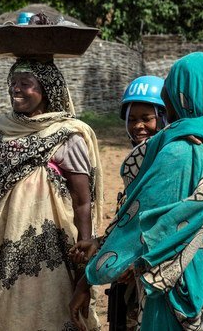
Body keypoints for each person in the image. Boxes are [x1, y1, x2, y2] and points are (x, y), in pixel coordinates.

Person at [70, 52, 203, 331]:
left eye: (169, 89)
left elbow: (142, 227)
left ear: (179, 98)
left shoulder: (182, 151)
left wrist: (88, 279)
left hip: (195, 287)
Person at [0, 57, 104, 330]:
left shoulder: (67, 135)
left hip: (53, 249)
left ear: (47, 89)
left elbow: (83, 201)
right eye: (13, 83)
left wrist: (85, 245)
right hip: (6, 243)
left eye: (26, 84)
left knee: (51, 307)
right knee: (10, 308)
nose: (16, 89)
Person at [70, 75, 168, 330]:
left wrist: (128, 258)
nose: (138, 126)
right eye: (132, 119)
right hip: (127, 281)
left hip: (152, 277)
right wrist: (101, 243)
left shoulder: (166, 164)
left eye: (146, 118)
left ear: (163, 117)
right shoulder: (136, 165)